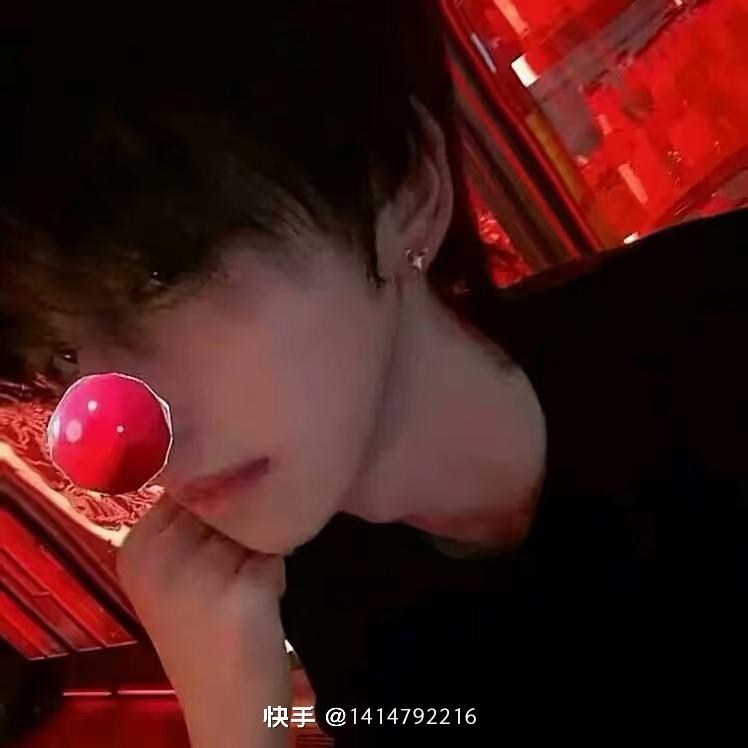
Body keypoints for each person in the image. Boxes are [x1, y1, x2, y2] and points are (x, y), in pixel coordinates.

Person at [1, 3, 745, 746]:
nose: (120, 441)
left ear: (405, 190)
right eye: (61, 357)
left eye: (162, 275)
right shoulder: (320, 593)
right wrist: (237, 723)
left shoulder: (716, 327)